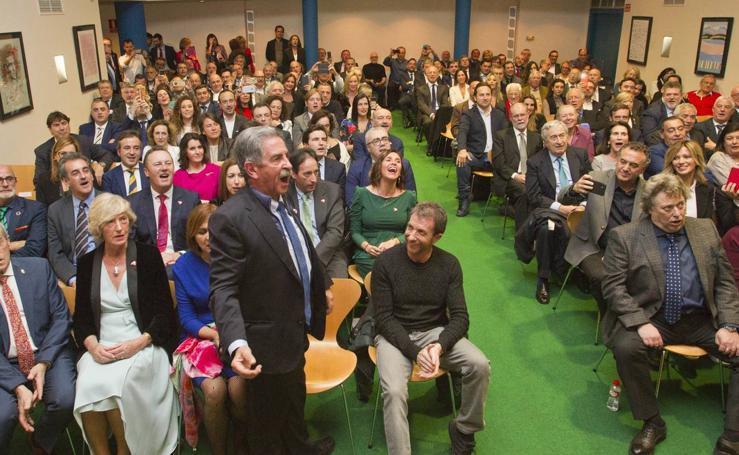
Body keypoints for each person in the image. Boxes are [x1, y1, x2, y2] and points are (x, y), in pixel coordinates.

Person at [209, 126, 335, 454]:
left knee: (294, 402)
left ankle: (299, 446)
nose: (288, 166)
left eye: (286, 157)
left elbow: (300, 250)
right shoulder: (230, 219)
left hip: (294, 332)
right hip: (264, 344)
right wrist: (236, 343)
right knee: (266, 427)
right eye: (277, 158)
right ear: (251, 169)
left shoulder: (282, 199)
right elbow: (223, 288)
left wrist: (322, 285)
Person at [600, 173, 739, 455]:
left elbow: (725, 281)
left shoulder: (705, 230)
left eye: (680, 205)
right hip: (654, 317)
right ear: (650, 208)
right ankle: (652, 422)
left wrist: (729, 325)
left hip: (701, 320)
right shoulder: (625, 236)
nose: (677, 214)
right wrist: (639, 323)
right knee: (626, 348)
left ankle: (733, 435)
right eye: (668, 208)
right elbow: (613, 287)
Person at [373, 202, 490, 455]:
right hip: (394, 335)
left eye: (421, 232)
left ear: (437, 237)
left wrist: (438, 347)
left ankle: (464, 429)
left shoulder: (449, 265)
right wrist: (416, 353)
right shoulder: (385, 263)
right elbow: (383, 318)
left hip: (434, 332)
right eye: (409, 228)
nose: (411, 236)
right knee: (393, 391)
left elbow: (460, 317)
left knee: (480, 365)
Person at [72, 193, 179, 454]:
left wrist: (140, 342)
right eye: (111, 222)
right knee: (87, 382)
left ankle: (125, 449)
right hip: (102, 345)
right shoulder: (87, 264)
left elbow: (165, 313)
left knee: (119, 384)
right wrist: (93, 347)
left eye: (123, 220)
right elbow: (82, 318)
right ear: (99, 227)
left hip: (142, 342)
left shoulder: (147, 256)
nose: (119, 228)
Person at [171, 204, 248, 455]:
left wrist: (229, 335)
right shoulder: (183, 266)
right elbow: (186, 317)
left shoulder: (237, 259)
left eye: (214, 230)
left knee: (238, 389)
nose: (209, 237)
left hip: (235, 334)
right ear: (193, 234)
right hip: (201, 338)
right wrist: (214, 334)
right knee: (215, 391)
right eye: (202, 231)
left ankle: (241, 443)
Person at [0, 222, 76, 454]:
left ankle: (42, 441)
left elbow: (62, 317)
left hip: (47, 352)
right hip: (5, 364)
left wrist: (44, 362)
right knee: (3, 416)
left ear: (7, 243)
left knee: (64, 399)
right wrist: (17, 387)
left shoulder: (38, 268)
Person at [559, 142, 649, 315]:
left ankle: (628, 313)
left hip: (631, 252)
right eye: (623, 161)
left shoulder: (647, 192)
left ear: (642, 169)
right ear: (616, 160)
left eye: (633, 165)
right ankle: (611, 316)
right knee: (603, 277)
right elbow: (564, 199)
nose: (626, 168)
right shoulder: (599, 181)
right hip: (593, 247)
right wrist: (573, 190)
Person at [521, 120, 590, 304]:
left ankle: (579, 271)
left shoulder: (580, 155)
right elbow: (534, 196)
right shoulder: (535, 162)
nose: (559, 141)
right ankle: (543, 278)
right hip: (551, 209)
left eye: (562, 136)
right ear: (545, 142)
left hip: (579, 208)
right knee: (547, 229)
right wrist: (561, 208)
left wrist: (582, 205)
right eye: (554, 137)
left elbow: (592, 186)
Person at [128, 148, 200, 267]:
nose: (164, 168)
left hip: (183, 262)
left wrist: (179, 255)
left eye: (168, 163)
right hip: (148, 264)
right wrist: (151, 259)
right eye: (157, 164)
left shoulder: (191, 199)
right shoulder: (132, 203)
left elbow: (201, 239)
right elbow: (129, 243)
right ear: (146, 172)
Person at [350, 149, 416, 277]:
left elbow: (412, 231)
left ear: (401, 172)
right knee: (381, 276)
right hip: (368, 254)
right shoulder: (361, 194)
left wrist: (395, 241)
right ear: (379, 167)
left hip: (399, 252)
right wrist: (367, 246)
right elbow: (355, 231)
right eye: (389, 160)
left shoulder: (409, 197)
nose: (394, 163)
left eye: (398, 161)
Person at [286, 149, 347, 278]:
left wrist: (314, 260)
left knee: (340, 287)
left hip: (327, 253)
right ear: (293, 174)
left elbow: (335, 232)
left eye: (316, 172)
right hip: (295, 254)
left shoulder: (332, 191)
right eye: (307, 174)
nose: (314, 179)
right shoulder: (284, 194)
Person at [47, 153, 101, 286]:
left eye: (86, 170)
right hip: (74, 273)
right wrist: (72, 278)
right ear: (66, 181)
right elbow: (55, 253)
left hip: (105, 272)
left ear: (92, 175)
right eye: (75, 173)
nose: (83, 176)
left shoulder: (110, 202)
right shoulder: (56, 210)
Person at [455, 83, 508, 217]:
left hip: (496, 156)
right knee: (463, 162)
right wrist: (462, 149)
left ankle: (510, 202)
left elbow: (507, 136)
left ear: (491, 96)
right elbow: (462, 132)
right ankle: (464, 199)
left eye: (487, 94)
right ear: (475, 97)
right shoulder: (468, 114)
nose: (485, 98)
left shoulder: (500, 115)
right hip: (477, 156)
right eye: (481, 95)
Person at [493, 102, 543, 228]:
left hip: (531, 177)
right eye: (516, 116)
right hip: (508, 179)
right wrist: (516, 176)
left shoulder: (536, 138)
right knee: (527, 192)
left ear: (528, 115)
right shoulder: (501, 136)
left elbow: (540, 162)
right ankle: (523, 231)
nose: (520, 118)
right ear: (510, 118)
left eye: (522, 115)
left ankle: (538, 226)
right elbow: (499, 164)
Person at [346, 127, 417, 205]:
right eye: (376, 141)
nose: (382, 143)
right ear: (368, 148)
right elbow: (351, 201)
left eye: (385, 139)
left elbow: (411, 198)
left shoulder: (403, 164)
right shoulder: (357, 166)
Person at [0, 166, 46, 257]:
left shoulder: (35, 209)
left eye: (9, 179)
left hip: (21, 267)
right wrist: (15, 245)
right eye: (0, 180)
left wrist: (5, 262)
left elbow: (35, 248)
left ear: (15, 181)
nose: (5, 184)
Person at [662, 140, 714, 220]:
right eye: (675, 158)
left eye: (686, 157)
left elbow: (707, 222)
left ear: (697, 160)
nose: (681, 162)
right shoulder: (662, 188)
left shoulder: (706, 188)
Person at [102, 130, 149, 198]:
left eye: (136, 148)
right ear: (119, 152)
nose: (132, 152)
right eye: (127, 148)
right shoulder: (109, 177)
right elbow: (109, 205)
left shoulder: (150, 172)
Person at [302, 125, 346, 196]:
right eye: (316, 139)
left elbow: (340, 199)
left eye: (324, 139)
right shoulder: (297, 168)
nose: (321, 143)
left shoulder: (338, 168)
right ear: (306, 145)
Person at [416, 64, 451, 144]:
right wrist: (431, 114)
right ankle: (431, 145)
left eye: (434, 72)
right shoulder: (420, 89)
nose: (432, 74)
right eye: (430, 72)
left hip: (440, 112)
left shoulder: (444, 88)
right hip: (427, 113)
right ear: (426, 74)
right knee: (429, 122)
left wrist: (438, 114)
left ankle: (441, 145)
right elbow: (422, 105)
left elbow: (445, 103)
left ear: (438, 74)